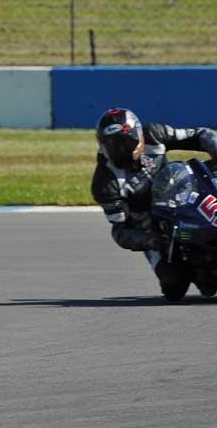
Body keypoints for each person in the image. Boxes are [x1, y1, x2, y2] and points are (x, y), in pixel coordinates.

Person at [91, 108, 217, 298]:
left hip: (183, 197)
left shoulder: (155, 134)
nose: (122, 150)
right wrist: (151, 240)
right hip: (153, 227)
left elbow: (201, 134)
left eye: (127, 143)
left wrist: (214, 147)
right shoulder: (105, 183)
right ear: (102, 144)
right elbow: (120, 231)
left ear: (140, 135)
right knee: (173, 285)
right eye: (114, 146)